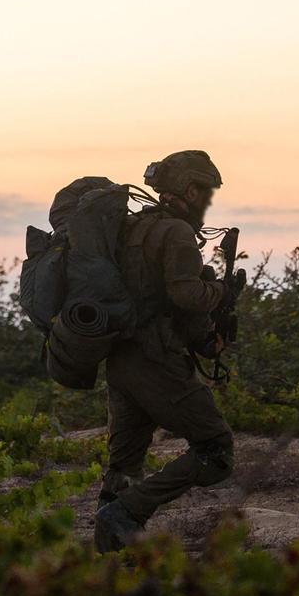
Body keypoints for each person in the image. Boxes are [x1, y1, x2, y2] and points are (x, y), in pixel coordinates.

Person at [94, 151, 239, 553]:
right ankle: (126, 515)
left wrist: (206, 339)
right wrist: (220, 292)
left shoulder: (133, 228)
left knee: (124, 466)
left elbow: (160, 299)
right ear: (189, 190)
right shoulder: (175, 233)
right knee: (216, 451)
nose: (208, 202)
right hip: (155, 361)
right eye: (206, 193)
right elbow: (185, 294)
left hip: (121, 360)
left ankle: (108, 559)